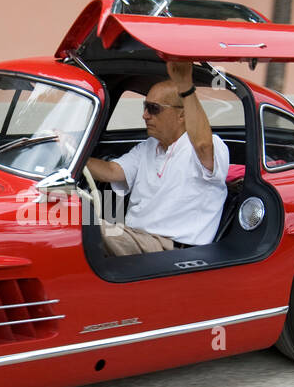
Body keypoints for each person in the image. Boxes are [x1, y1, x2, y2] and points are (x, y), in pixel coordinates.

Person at [85, 61, 230, 256]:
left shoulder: (208, 146)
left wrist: (186, 87)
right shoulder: (148, 146)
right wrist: (70, 156)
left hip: (168, 248)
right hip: (134, 238)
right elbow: (112, 171)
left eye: (153, 109)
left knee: (81, 229)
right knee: (74, 223)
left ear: (181, 115)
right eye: (145, 107)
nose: (145, 115)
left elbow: (203, 146)